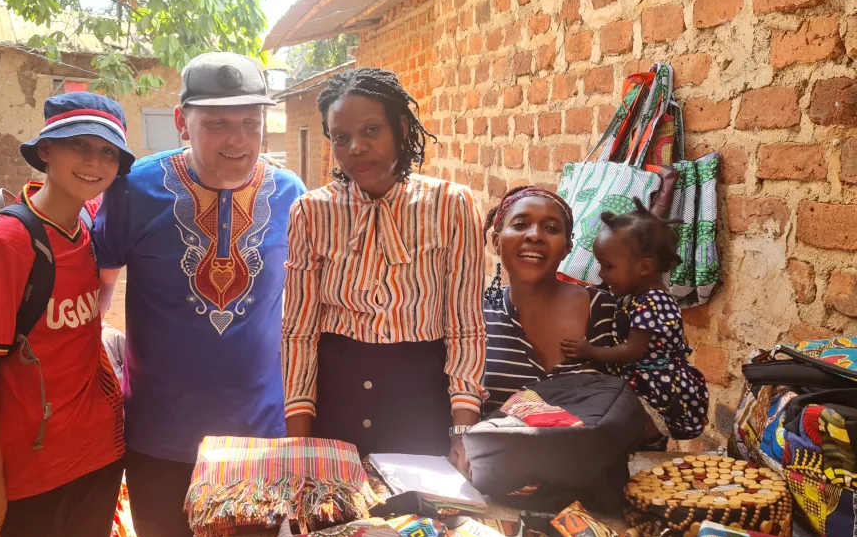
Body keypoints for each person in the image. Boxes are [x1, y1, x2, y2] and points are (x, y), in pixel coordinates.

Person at [92, 52, 306, 537]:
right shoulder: (134, 190)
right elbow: (96, 297)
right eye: (217, 124)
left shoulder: (289, 194)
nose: (238, 139)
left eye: (250, 122)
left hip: (260, 439)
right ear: (182, 123)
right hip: (160, 439)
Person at [0, 92, 130, 537]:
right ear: (47, 150)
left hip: (100, 451)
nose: (94, 162)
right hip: (32, 466)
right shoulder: (7, 242)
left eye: (108, 152)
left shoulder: (90, 230)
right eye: (79, 145)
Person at [281, 68, 487, 468]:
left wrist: (462, 431)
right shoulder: (311, 212)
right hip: (335, 403)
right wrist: (300, 440)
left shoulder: (452, 206)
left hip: (421, 407)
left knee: (416, 509)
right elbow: (298, 332)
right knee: (335, 508)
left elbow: (465, 326)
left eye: (371, 130)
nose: (355, 147)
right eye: (341, 137)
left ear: (401, 127)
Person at [560, 198, 709, 440]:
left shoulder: (654, 301)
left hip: (657, 386)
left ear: (644, 267)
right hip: (644, 382)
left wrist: (591, 351)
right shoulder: (635, 297)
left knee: (642, 435)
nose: (601, 274)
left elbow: (633, 350)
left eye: (609, 267)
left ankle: (649, 447)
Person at [480, 186, 618, 411]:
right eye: (520, 225)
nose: (535, 235)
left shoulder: (604, 311)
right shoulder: (477, 317)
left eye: (551, 228)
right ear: (496, 241)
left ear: (567, 247)